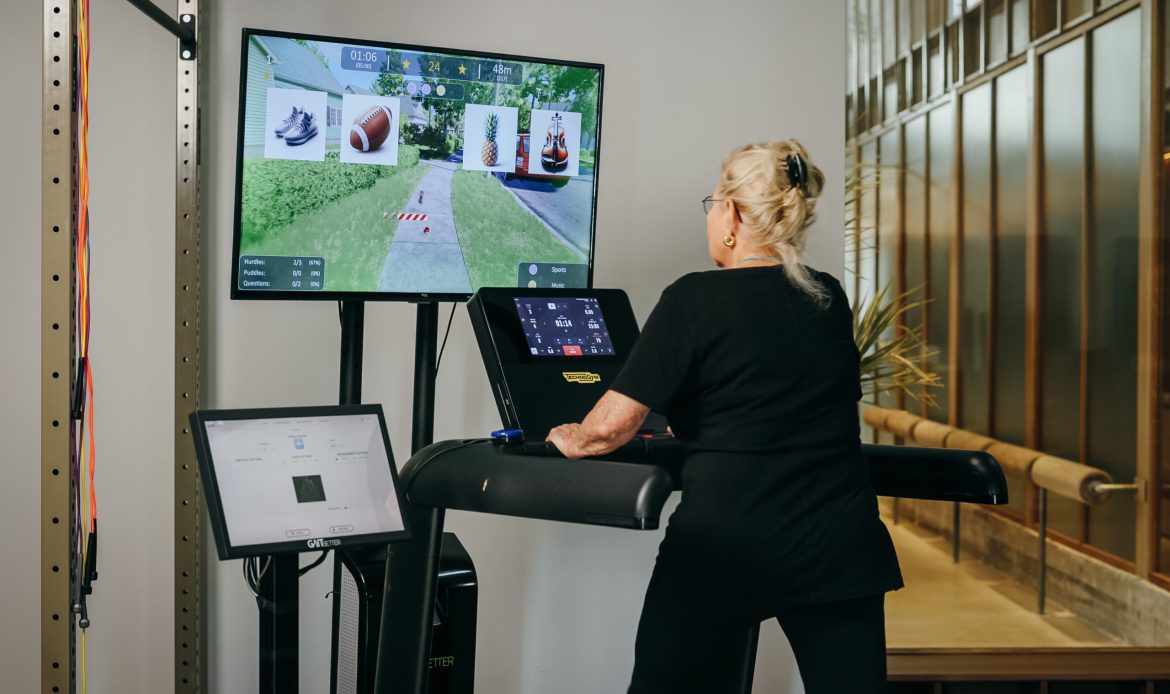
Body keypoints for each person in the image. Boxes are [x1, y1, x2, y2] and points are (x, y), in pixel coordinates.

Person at [545, 140, 903, 694]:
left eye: (712, 203)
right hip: (840, 545)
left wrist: (574, 438)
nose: (710, 216)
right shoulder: (828, 296)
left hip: (728, 545)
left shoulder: (693, 298)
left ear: (731, 214)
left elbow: (611, 427)